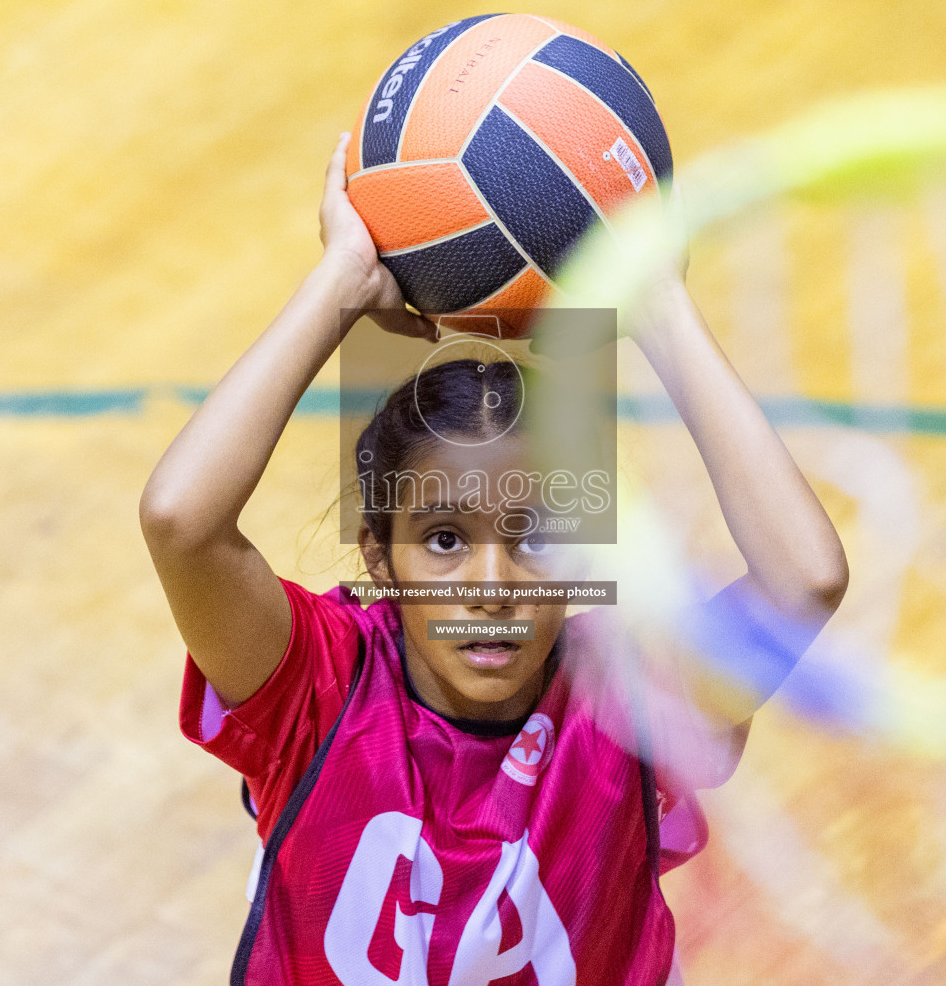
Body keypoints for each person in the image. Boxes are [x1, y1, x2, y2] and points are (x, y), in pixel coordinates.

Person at [139, 132, 849, 985]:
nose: (492, 584)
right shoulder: (321, 686)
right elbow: (181, 521)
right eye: (444, 540)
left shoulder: (620, 701)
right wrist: (341, 284)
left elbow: (804, 580)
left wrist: (659, 306)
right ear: (381, 558)